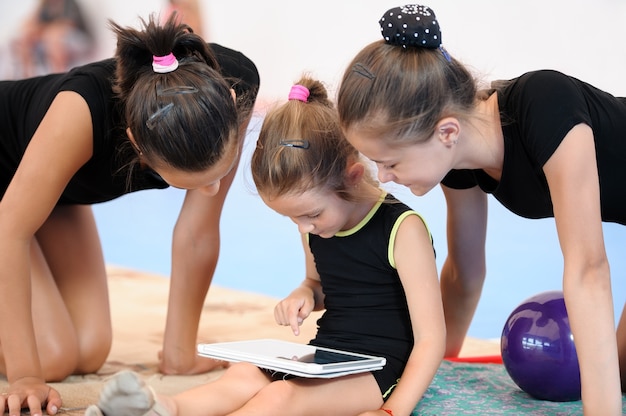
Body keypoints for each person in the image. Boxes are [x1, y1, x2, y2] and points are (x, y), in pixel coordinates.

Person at [82, 77, 446, 416]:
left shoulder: (403, 229)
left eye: (311, 215)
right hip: (327, 354)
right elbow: (317, 285)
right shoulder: (314, 225)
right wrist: (304, 294)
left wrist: (392, 410)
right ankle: (163, 408)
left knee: (280, 397)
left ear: (351, 177)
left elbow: (431, 339)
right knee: (242, 375)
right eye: (292, 219)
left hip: (381, 370)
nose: (304, 228)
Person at [336, 3, 626, 415]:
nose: (381, 178)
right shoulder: (457, 161)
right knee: (617, 375)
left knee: (610, 386)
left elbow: (588, 268)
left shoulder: (546, 106)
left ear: (446, 131)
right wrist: (433, 372)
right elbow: (464, 272)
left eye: (391, 162)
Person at [0, 13, 259, 416]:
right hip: (8, 196)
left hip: (48, 195)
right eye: (190, 183)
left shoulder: (233, 86)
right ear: (136, 143)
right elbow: (9, 230)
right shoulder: (80, 113)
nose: (210, 191)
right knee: (49, 359)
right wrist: (23, 378)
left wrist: (180, 354)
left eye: (219, 174)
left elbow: (197, 230)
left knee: (88, 351)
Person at [12, 0, 94, 78]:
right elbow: (33, 23)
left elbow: (67, 24)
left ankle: (59, 74)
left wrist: (43, 30)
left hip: (78, 38)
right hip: (52, 36)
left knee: (53, 36)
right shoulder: (45, 6)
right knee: (27, 35)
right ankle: (27, 75)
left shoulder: (69, 3)